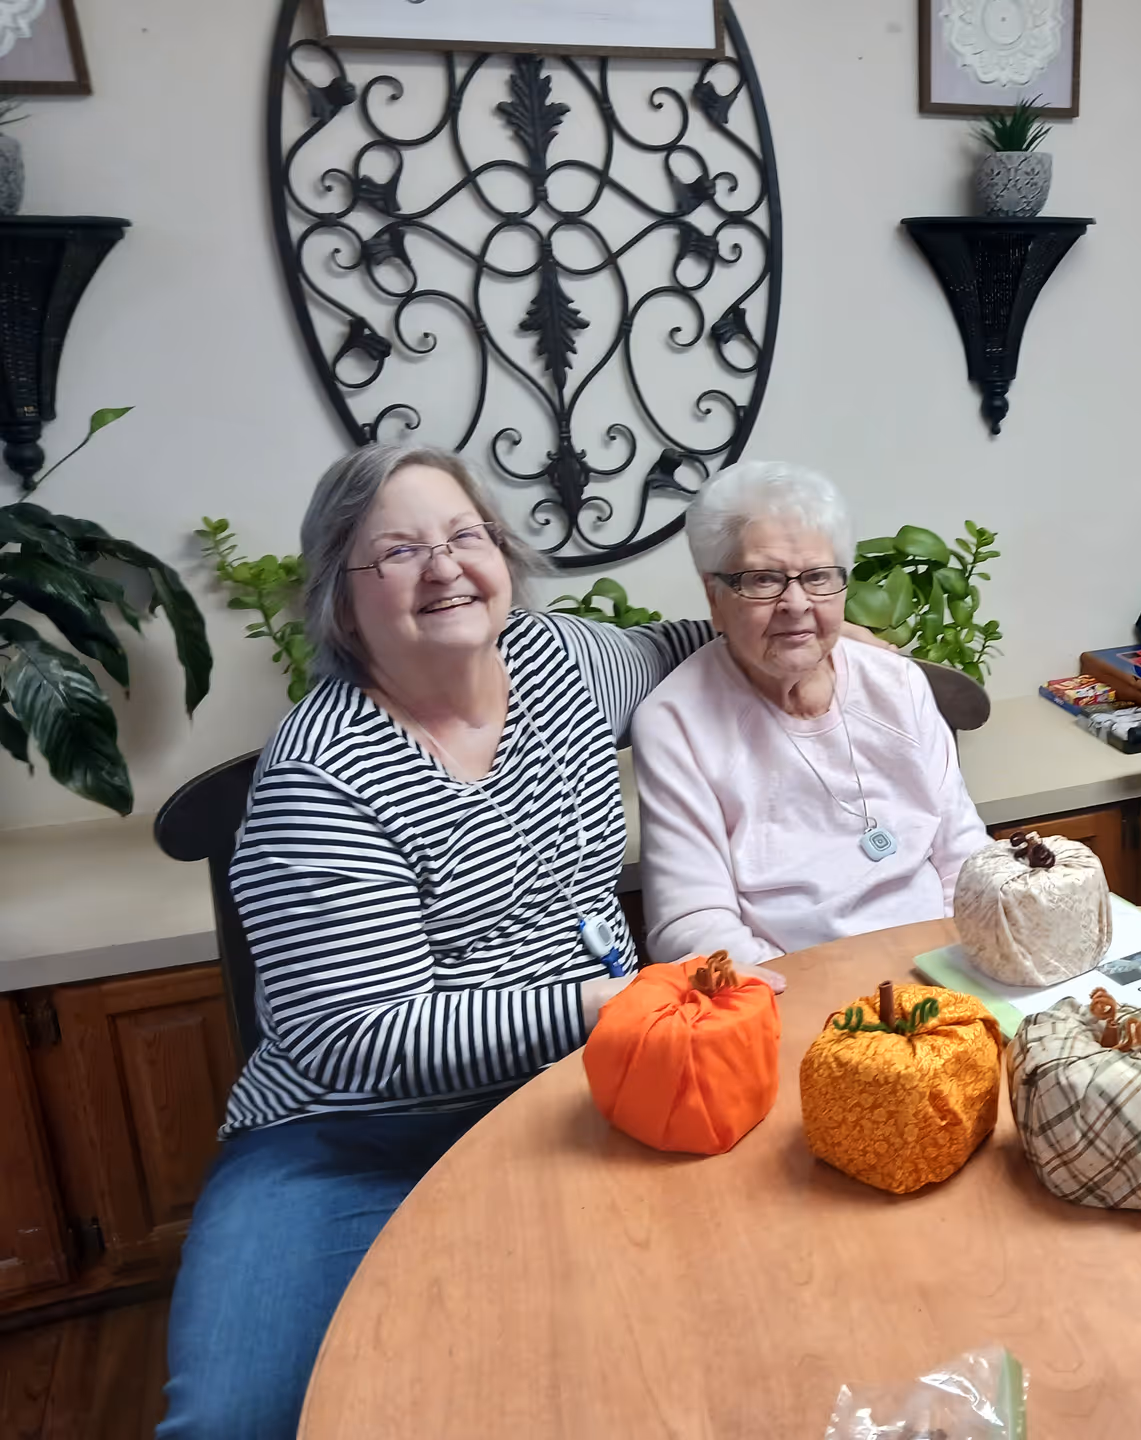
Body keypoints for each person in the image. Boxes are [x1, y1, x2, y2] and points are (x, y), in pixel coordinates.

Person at [159, 443, 757, 1439]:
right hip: (344, 1142)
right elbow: (358, 1035)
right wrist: (601, 1006)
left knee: (664, 1360)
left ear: (502, 560)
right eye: (396, 551)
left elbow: (692, 643)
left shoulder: (563, 662)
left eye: (464, 536)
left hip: (575, 1098)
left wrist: (828, 635)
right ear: (343, 606)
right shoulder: (321, 780)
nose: (443, 567)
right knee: (238, 1420)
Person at [633, 461, 991, 968]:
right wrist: (803, 998)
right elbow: (691, 921)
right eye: (763, 580)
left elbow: (965, 856)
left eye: (819, 577)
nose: (796, 603)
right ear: (714, 595)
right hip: (796, 990)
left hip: (946, 968)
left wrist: (968, 967)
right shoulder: (676, 723)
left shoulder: (897, 683)